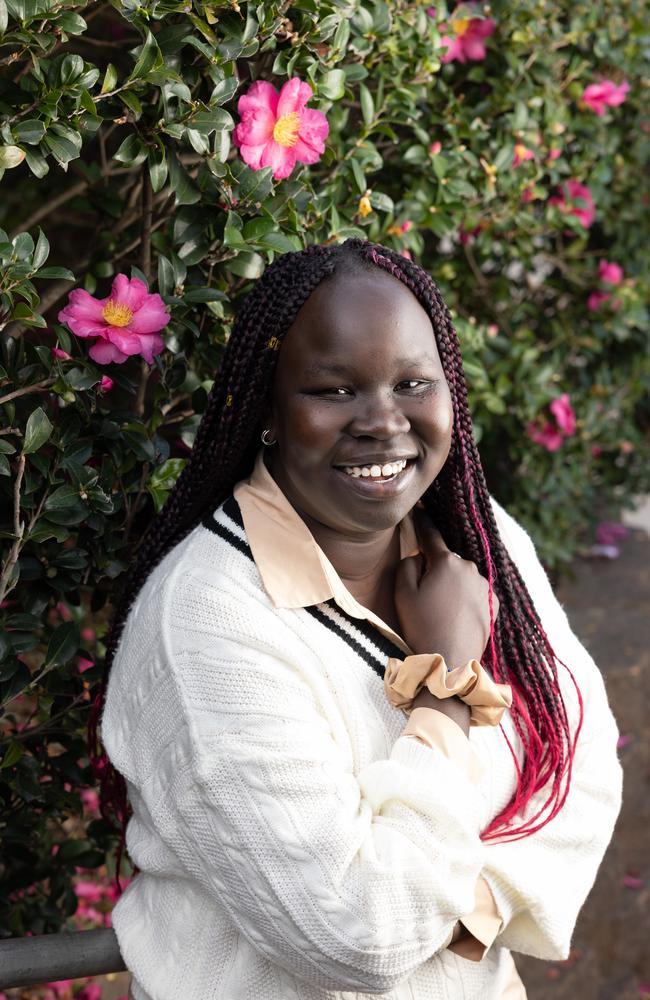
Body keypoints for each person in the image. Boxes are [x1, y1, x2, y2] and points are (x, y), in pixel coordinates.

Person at [94, 239, 622, 1000]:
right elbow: (361, 934)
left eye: (413, 382)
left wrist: (463, 913)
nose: (383, 421)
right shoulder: (205, 626)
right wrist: (443, 689)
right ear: (269, 413)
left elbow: (583, 760)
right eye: (335, 389)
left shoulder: (481, 540)